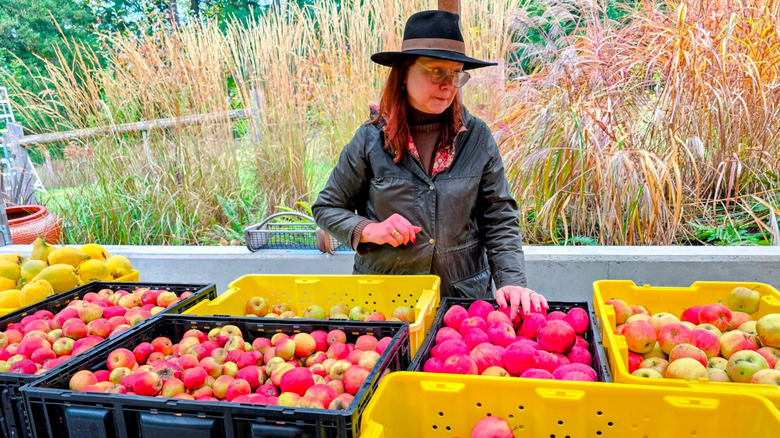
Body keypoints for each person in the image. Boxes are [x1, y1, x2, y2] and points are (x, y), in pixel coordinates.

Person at [312, 10, 548, 319]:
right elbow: (326, 207)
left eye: (457, 73)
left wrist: (512, 281)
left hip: (461, 302)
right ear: (403, 72)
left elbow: (499, 215)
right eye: (437, 71)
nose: (449, 85)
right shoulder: (370, 139)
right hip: (385, 303)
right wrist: (370, 229)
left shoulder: (475, 136)